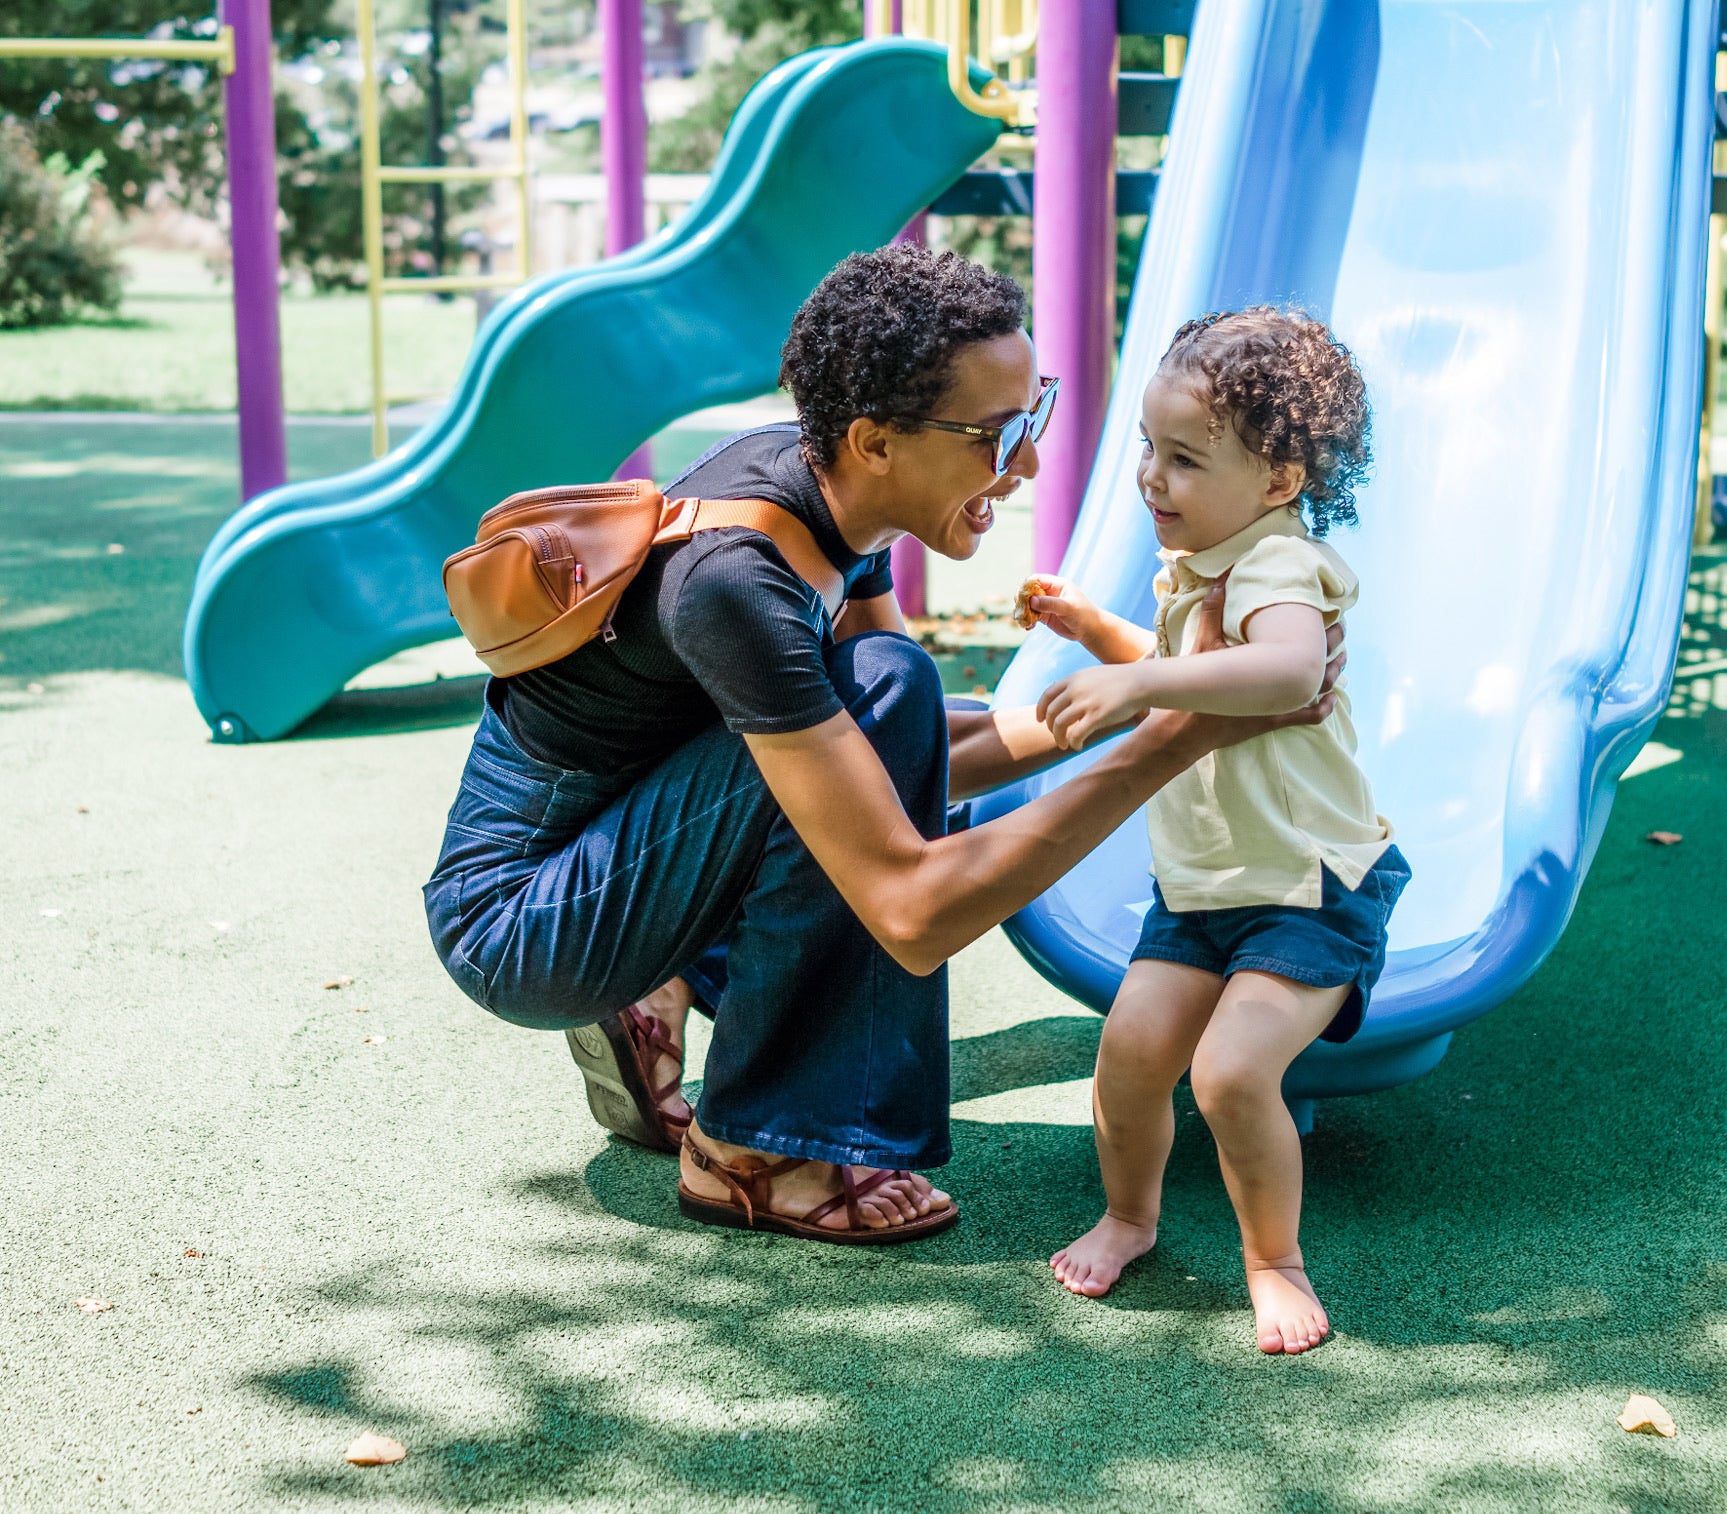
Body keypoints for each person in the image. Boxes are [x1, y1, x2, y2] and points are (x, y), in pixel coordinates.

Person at [423, 251, 1346, 1246]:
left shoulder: (827, 495)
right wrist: (1166, 744)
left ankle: (665, 978)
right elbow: (908, 908)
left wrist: (1127, 700)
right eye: (997, 434)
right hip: (523, 918)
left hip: (623, 840)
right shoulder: (739, 580)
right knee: (883, 705)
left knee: (891, 693)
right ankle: (746, 1151)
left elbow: (904, 744)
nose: (1026, 462)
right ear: (873, 441)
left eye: (1030, 413)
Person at [1018, 308, 1407, 1353]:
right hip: (1200, 887)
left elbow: (1281, 670)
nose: (1151, 476)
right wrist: (1097, 634)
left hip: (1308, 884)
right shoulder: (1193, 563)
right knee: (1130, 1051)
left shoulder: (1276, 563)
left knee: (1229, 1072)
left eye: (1184, 458)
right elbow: (1182, 660)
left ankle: (1272, 1258)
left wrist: (1136, 674)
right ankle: (1129, 1215)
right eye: (1148, 446)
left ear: (1278, 480)